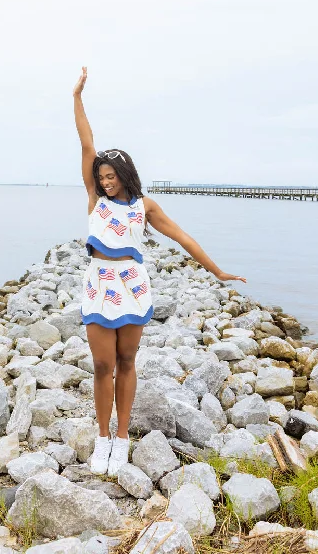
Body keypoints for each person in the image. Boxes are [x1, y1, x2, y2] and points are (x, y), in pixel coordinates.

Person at [73, 66, 247, 476]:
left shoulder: (144, 206)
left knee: (128, 362)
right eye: (102, 177)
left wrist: (218, 272)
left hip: (132, 284)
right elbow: (86, 143)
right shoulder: (94, 199)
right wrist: (77, 97)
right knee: (102, 365)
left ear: (126, 175)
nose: (106, 182)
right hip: (99, 283)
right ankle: (102, 437)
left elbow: (183, 238)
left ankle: (123, 438)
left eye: (112, 176)